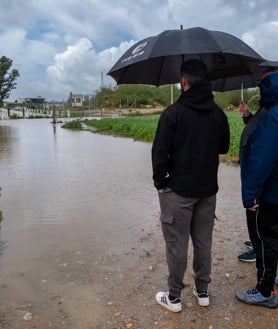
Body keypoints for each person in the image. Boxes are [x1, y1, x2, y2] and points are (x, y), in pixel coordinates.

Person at [151, 59, 230, 312]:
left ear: (184, 81)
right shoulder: (218, 113)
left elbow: (159, 153)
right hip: (207, 191)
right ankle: (203, 291)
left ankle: (174, 297)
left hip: (178, 191)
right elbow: (224, 147)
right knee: (203, 241)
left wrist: (160, 184)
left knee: (177, 243)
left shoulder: (172, 113)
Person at [236, 70, 278, 308]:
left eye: (262, 82)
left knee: (264, 240)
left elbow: (263, 158)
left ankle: (264, 290)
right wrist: (247, 115)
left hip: (269, 192)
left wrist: (250, 193)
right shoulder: (270, 113)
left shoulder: (273, 116)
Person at [237, 101, 267, 263]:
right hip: (252, 168)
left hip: (257, 171)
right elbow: (259, 127)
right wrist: (248, 115)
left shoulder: (272, 106)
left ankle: (259, 248)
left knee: (256, 208)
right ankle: (259, 242)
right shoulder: (267, 105)